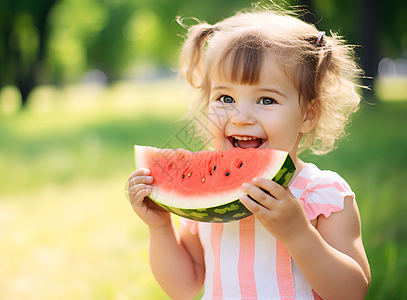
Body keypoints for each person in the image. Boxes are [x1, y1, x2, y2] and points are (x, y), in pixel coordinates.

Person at [128, 4, 370, 300]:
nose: (240, 116)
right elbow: (184, 287)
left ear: (307, 114)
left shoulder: (323, 195)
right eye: (225, 97)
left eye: (266, 100)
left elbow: (353, 291)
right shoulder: (203, 207)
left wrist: (299, 234)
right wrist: (161, 227)